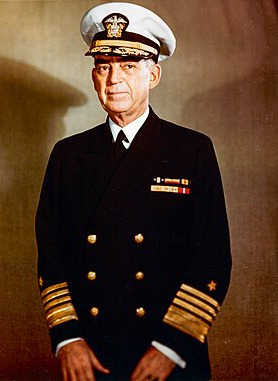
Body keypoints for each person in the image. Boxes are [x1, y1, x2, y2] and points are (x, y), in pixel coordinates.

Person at [35, 2, 232, 380]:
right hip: (89, 353)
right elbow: (51, 253)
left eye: (128, 66)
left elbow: (213, 257)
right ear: (93, 76)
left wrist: (169, 348)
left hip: (167, 352)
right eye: (103, 66)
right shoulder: (68, 155)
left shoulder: (191, 150)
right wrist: (68, 338)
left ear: (153, 75)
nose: (114, 80)